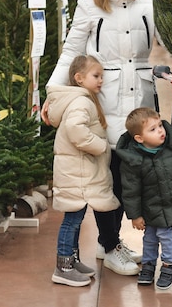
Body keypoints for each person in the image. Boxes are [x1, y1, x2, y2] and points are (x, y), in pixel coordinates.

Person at [43, 0, 160, 276]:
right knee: (107, 174)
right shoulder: (88, 4)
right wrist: (53, 94)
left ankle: (107, 243)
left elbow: (167, 40)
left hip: (140, 96)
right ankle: (110, 245)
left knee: (131, 173)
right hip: (102, 97)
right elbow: (71, 52)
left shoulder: (148, 3)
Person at [46, 55, 120, 287]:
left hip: (78, 172)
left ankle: (73, 260)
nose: (100, 81)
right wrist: (100, 146)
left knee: (76, 217)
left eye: (102, 77)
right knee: (72, 219)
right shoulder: (81, 102)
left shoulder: (83, 99)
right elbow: (74, 129)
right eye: (96, 76)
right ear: (78, 78)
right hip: (76, 173)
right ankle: (63, 267)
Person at [115, 107, 172, 290]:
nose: (160, 131)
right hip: (150, 208)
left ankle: (169, 265)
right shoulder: (133, 160)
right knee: (150, 237)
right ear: (139, 138)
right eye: (152, 129)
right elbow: (130, 191)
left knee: (164, 234)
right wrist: (135, 215)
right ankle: (148, 264)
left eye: (160, 125)